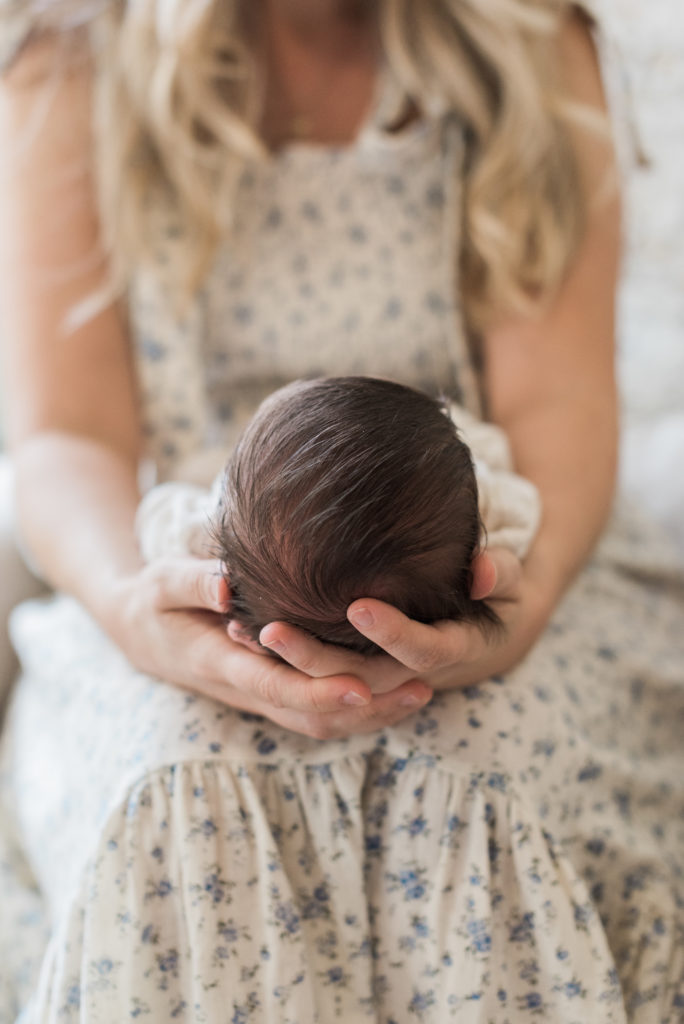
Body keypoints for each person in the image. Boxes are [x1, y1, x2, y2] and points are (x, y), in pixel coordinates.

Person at [0, 0, 682, 1020]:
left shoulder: (529, 48)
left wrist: (511, 615)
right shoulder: (73, 63)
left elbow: (558, 412)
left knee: (480, 774)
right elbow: (65, 439)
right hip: (187, 555)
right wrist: (133, 605)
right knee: (182, 779)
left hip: (488, 523)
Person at [135, 375, 540, 653]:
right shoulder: (490, 509)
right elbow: (519, 491)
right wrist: (471, 443)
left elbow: (155, 512)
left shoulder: (206, 532)